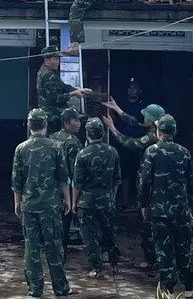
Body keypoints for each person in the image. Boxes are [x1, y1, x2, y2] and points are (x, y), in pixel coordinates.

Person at [139, 115, 193, 299]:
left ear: (159, 131)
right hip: (181, 210)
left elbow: (144, 182)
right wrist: (188, 206)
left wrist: (143, 204)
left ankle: (167, 289)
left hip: (159, 211)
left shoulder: (152, 151)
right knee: (184, 248)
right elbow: (191, 183)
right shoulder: (184, 152)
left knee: (163, 250)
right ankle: (189, 288)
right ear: (174, 131)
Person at [12, 108, 72, 298]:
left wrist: (17, 203)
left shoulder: (21, 149)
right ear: (45, 125)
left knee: (31, 248)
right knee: (54, 246)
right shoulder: (56, 147)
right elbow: (63, 178)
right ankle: (61, 288)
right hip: (50, 205)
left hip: (29, 205)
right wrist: (68, 199)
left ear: (29, 125)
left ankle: (35, 289)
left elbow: (17, 181)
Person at [103, 101, 166, 268]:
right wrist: (118, 109)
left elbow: (130, 143)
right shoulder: (154, 130)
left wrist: (112, 129)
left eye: (146, 116)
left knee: (148, 224)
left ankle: (151, 259)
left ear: (152, 121)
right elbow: (136, 124)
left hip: (152, 186)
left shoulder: (152, 137)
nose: (143, 118)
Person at [72, 117, 121, 278]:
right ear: (103, 132)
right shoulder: (112, 152)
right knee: (109, 232)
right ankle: (114, 263)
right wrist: (112, 197)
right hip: (106, 199)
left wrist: (74, 202)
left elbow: (77, 183)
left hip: (87, 202)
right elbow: (116, 180)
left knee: (89, 235)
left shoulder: (83, 154)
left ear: (87, 134)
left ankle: (96, 267)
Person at [51, 107, 84, 257]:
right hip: (66, 189)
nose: (79, 124)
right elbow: (75, 171)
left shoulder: (51, 137)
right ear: (66, 123)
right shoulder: (73, 142)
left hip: (50, 188)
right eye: (76, 120)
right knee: (64, 222)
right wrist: (73, 196)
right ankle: (60, 254)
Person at [36, 47, 91, 134]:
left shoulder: (48, 71)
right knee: (83, 121)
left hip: (55, 110)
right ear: (46, 59)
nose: (58, 62)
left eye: (58, 59)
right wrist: (72, 94)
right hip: (52, 113)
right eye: (55, 59)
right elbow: (53, 99)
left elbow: (62, 86)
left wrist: (78, 90)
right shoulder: (48, 74)